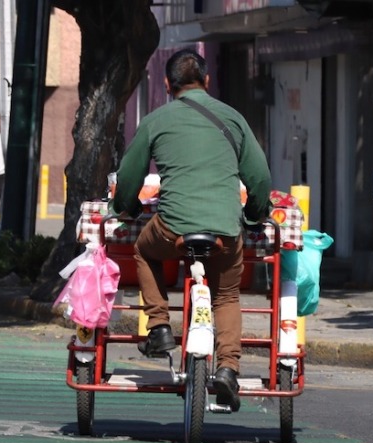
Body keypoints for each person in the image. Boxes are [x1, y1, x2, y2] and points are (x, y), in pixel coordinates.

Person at [111, 48, 272, 412]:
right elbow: (260, 178)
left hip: (172, 230)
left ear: (167, 85)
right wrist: (253, 214)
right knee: (227, 296)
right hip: (225, 232)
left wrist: (127, 206)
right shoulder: (233, 118)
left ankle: (159, 327)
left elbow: (128, 182)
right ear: (207, 81)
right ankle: (229, 368)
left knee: (144, 250)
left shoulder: (155, 120)